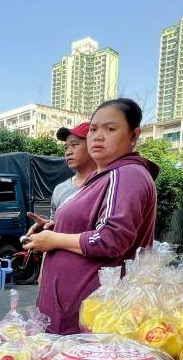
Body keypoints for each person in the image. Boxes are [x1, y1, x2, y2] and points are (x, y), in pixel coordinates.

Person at [25, 98, 158, 335]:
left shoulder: (125, 175)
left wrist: (53, 241)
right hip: (74, 312)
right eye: (94, 129)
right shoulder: (104, 177)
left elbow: (110, 239)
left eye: (110, 129)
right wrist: (55, 227)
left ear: (133, 135)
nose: (98, 136)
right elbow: (92, 226)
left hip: (90, 316)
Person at [24, 121, 96, 237]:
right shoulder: (59, 189)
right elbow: (55, 227)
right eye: (66, 147)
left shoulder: (107, 184)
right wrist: (46, 228)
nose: (68, 152)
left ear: (93, 146)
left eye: (74, 145)